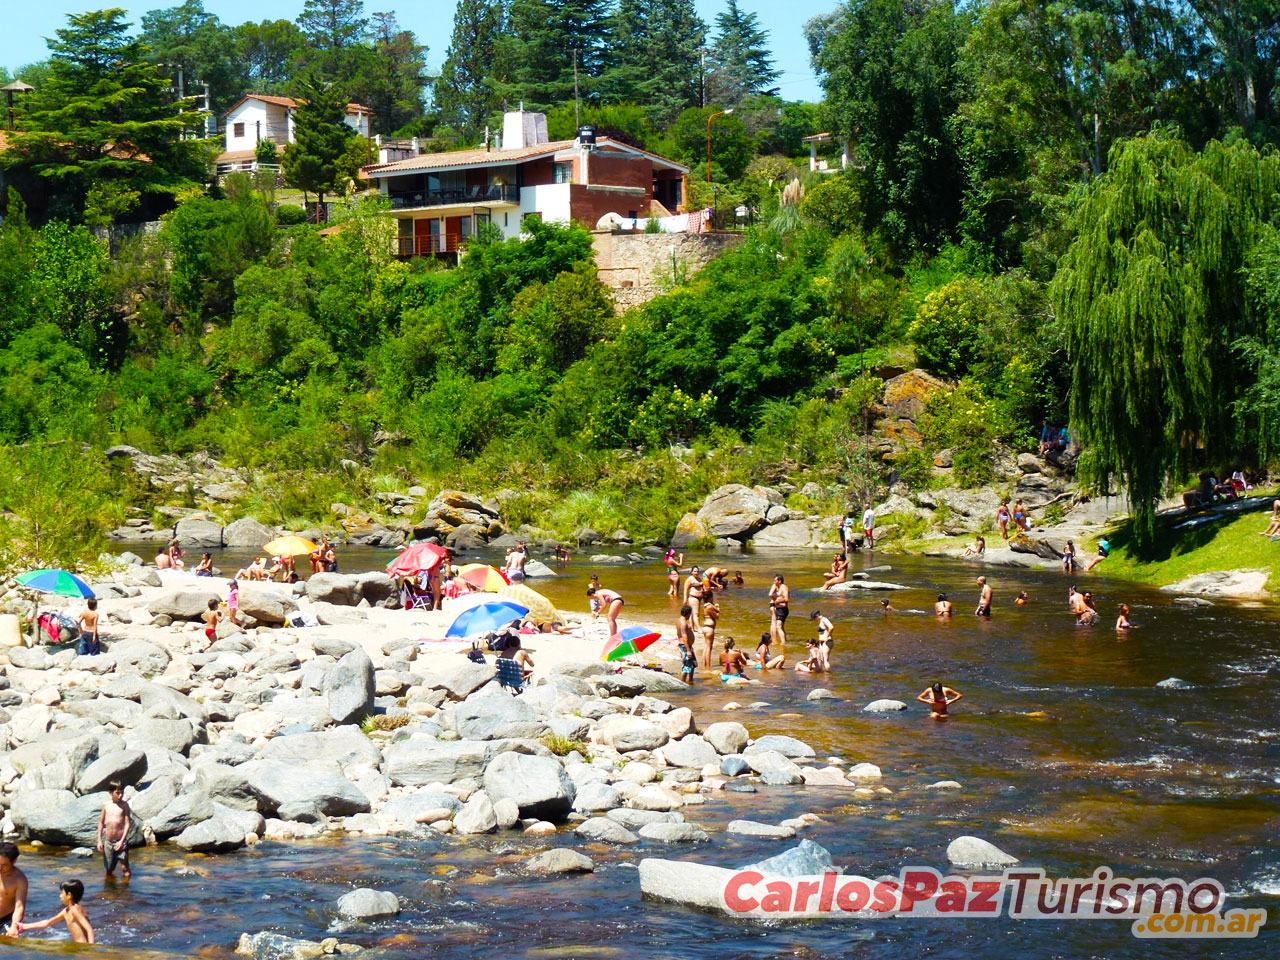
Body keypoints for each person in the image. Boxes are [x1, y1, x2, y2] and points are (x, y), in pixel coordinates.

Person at [16, 879, 94, 943]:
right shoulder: (66, 911)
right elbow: (48, 923)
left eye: (62, 893)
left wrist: (91, 949)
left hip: (84, 948)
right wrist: (23, 926)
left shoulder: (75, 909)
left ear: (69, 895)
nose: (60, 896)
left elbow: (89, 929)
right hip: (78, 948)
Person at [97, 781, 132, 879]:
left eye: (122, 793)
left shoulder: (124, 805)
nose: (120, 795)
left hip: (120, 842)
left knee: (125, 868)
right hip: (108, 842)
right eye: (117, 793)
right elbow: (101, 823)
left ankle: (125, 891)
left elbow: (127, 824)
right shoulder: (106, 805)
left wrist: (122, 841)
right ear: (111, 792)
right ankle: (110, 891)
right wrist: (99, 840)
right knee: (109, 869)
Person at [0, 843, 28, 936]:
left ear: (14, 861)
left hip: (4, 920)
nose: (0, 868)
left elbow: (19, 906)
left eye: (4, 865)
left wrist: (14, 926)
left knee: (10, 943)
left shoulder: (19, 880)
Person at [768, 574, 790, 647]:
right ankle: (784, 641)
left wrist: (777, 601)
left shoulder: (783, 587)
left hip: (782, 609)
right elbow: (771, 595)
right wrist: (775, 600)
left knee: (778, 627)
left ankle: (783, 643)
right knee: (780, 627)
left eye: (775, 580)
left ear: (779, 581)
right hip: (779, 608)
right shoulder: (779, 587)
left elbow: (786, 599)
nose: (774, 582)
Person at [701, 595, 721, 669]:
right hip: (709, 628)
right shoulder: (709, 607)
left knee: (706, 647)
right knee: (709, 647)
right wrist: (718, 608)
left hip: (705, 627)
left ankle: (704, 665)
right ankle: (708, 666)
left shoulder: (705, 606)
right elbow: (717, 616)